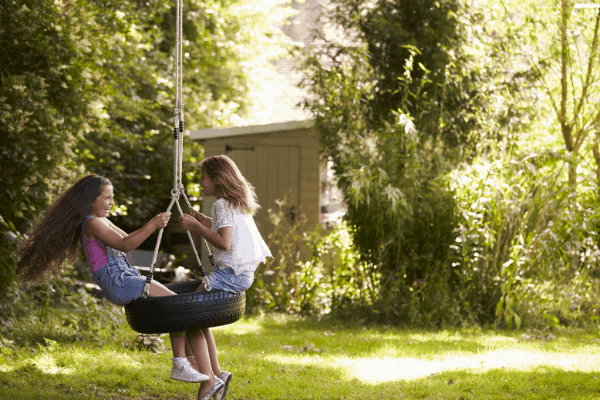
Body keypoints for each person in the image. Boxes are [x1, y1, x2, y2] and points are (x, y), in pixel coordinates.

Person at [16, 175, 225, 399]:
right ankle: (181, 363)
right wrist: (153, 224)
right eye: (106, 198)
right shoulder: (92, 223)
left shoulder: (102, 220)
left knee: (180, 307)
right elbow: (126, 245)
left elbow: (127, 239)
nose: (111, 203)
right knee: (177, 306)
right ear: (90, 200)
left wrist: (152, 227)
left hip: (126, 278)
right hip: (118, 283)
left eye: (112, 198)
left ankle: (203, 371)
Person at [179, 155, 272, 400]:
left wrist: (197, 228)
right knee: (199, 321)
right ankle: (218, 373)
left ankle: (208, 379)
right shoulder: (235, 203)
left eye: (203, 177)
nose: (200, 183)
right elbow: (224, 227)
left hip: (229, 274)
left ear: (217, 179)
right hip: (242, 274)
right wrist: (202, 219)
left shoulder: (221, 204)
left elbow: (224, 241)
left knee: (189, 316)